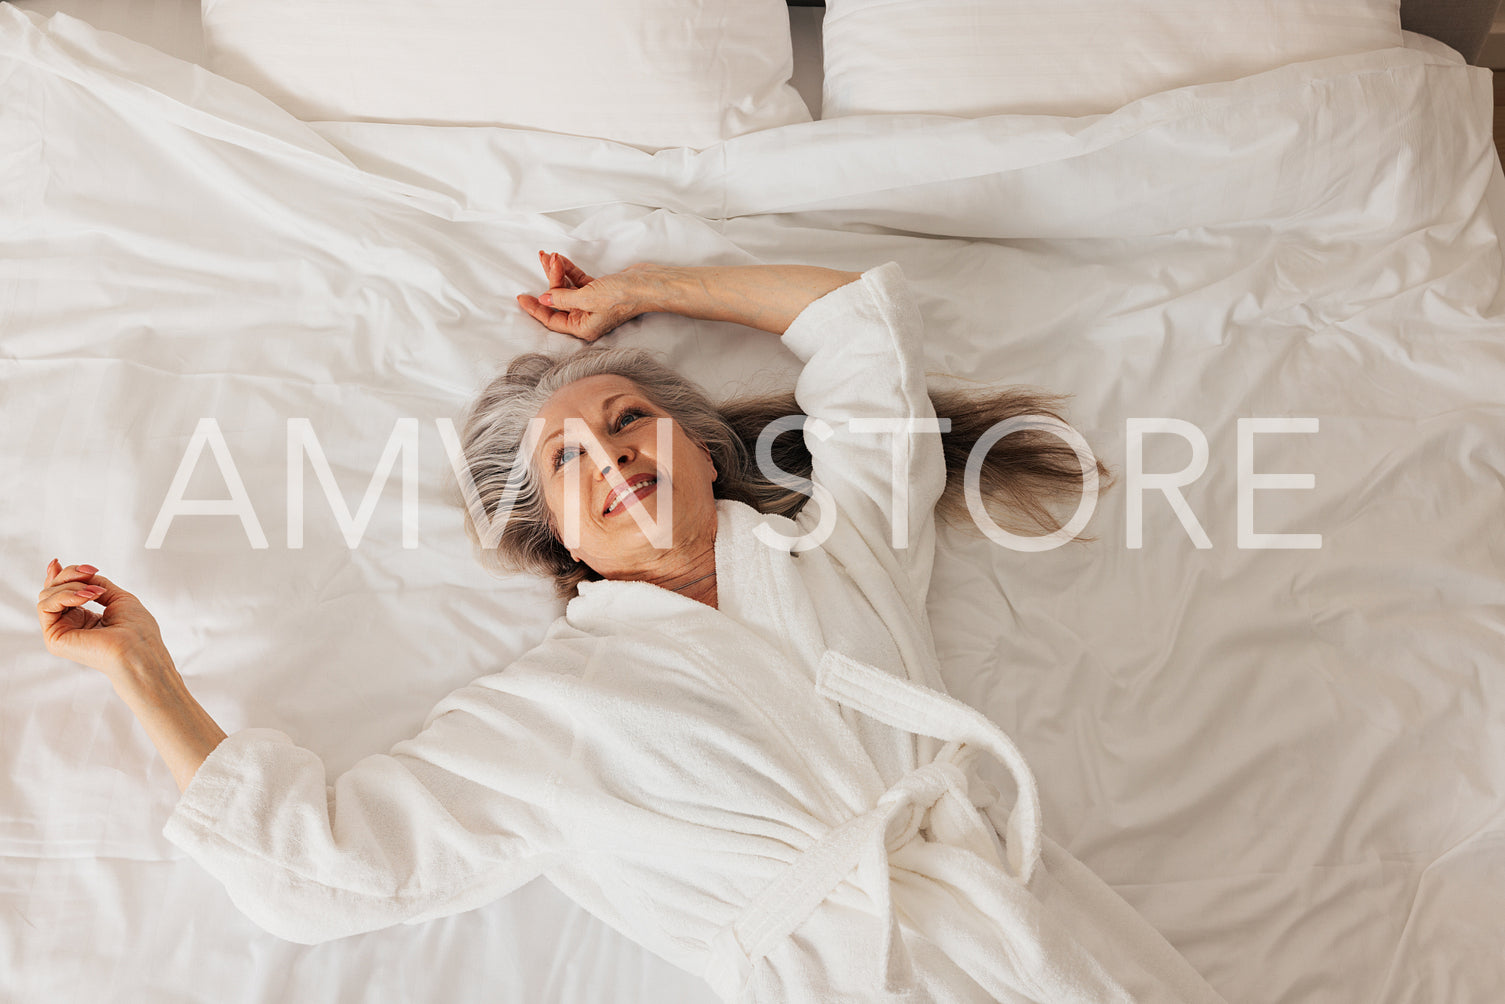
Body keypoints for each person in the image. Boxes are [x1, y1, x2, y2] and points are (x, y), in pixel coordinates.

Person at [36, 254, 1224, 1003]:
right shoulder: (548, 709)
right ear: (555, 535)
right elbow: (320, 866)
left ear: (702, 451)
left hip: (1037, 938)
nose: (611, 453)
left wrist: (650, 290)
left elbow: (856, 331)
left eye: (629, 420)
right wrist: (145, 671)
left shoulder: (842, 543)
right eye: (569, 459)